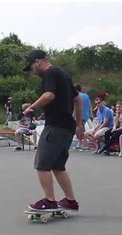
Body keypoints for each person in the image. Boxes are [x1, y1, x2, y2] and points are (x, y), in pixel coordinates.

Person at [22, 49, 83, 212]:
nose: (33, 73)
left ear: (38, 62)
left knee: (42, 164)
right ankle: (70, 201)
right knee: (58, 165)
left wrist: (31, 107)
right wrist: (79, 124)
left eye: (32, 68)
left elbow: (49, 96)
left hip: (55, 126)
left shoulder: (50, 73)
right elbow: (77, 99)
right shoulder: (64, 74)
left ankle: (49, 201)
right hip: (67, 127)